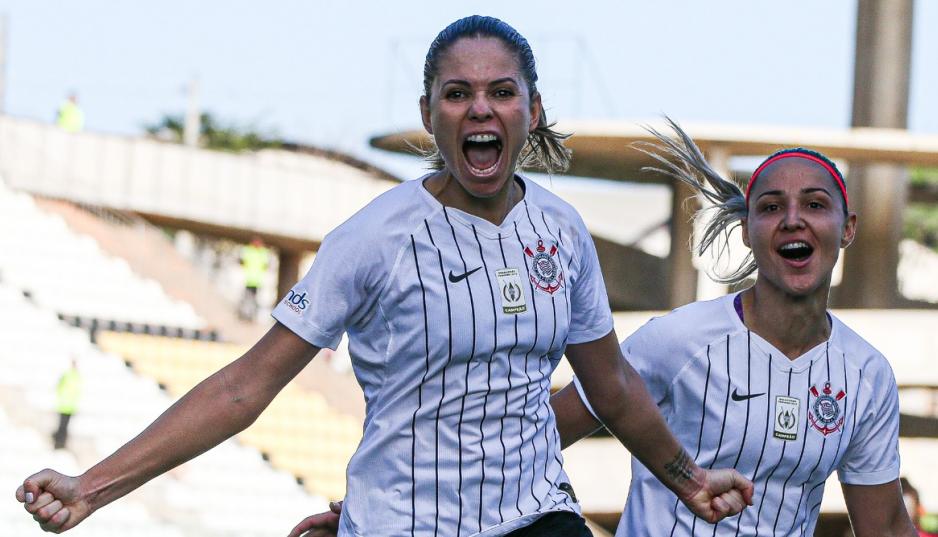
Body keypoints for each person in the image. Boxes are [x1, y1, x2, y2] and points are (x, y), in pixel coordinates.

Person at [15, 18, 752, 536]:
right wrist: (92, 485)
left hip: (537, 517)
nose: (479, 107)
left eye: (501, 90)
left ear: (533, 109)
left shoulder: (561, 234)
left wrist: (689, 481)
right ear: (428, 114)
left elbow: (610, 385)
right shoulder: (373, 238)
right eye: (457, 93)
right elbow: (245, 386)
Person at [290, 121, 918, 537]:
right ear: (749, 227)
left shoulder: (866, 377)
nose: (793, 221)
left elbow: (884, 525)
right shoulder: (675, 342)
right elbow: (524, 437)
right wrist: (379, 512)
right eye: (770, 207)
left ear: (849, 227)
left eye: (815, 205)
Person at [52, 359, 82, 450]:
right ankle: (59, 444)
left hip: (68, 405)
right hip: (65, 405)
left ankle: (60, 444)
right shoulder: (69, 375)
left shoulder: (75, 376)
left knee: (64, 427)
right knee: (63, 426)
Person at [239, 236, 270, 321]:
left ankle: (251, 316)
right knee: (246, 299)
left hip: (257, 281)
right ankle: (244, 315)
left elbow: (265, 265)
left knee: (254, 300)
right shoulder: (248, 250)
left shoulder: (263, 252)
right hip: (248, 279)